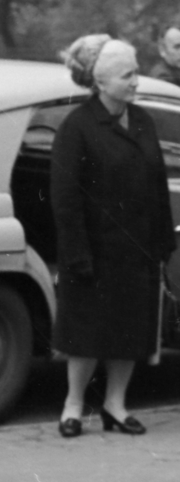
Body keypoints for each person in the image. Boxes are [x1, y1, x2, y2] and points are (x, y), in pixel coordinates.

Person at [51, 35, 174, 438]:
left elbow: (157, 183)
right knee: (87, 335)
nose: (136, 82)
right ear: (101, 83)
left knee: (130, 332)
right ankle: (72, 406)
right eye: (128, 75)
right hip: (94, 252)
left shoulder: (141, 121)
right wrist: (76, 255)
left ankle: (115, 406)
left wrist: (162, 243)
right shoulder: (78, 127)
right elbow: (65, 199)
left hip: (136, 251)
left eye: (136, 73)